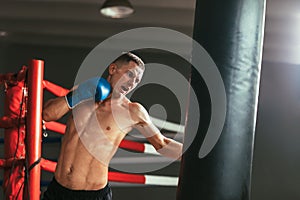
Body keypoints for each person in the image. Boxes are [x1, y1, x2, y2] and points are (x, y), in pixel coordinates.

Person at [42, 52, 183, 200]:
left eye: (136, 81)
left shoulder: (132, 111)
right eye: (129, 75)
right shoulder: (82, 93)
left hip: (92, 195)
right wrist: (77, 95)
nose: (131, 83)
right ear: (113, 69)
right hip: (58, 189)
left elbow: (162, 143)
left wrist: (198, 155)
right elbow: (47, 115)